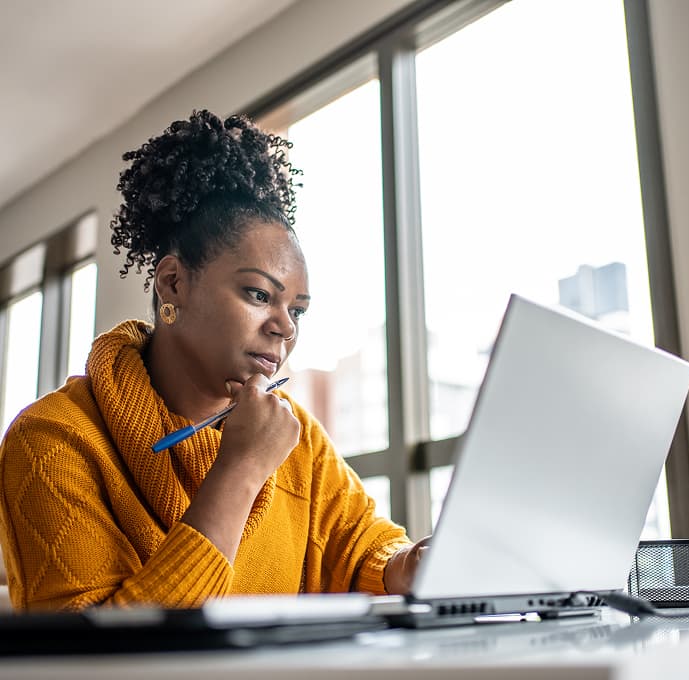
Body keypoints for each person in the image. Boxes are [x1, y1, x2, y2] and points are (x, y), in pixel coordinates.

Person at [0, 110, 427, 611]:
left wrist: (408, 563)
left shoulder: (298, 436)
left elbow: (362, 550)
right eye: (257, 294)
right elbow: (94, 664)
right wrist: (241, 470)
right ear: (173, 283)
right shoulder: (52, 439)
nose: (285, 327)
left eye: (297, 311)